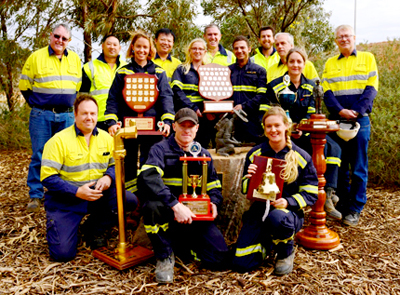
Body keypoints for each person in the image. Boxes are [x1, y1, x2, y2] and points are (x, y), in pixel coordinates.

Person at [40, 94, 138, 262]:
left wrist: (108, 177)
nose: (89, 118)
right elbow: (48, 178)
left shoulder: (107, 138)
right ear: (75, 114)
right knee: (62, 254)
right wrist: (77, 191)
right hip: (67, 199)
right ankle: (63, 225)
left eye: (93, 114)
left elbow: (115, 165)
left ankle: (94, 228)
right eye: (84, 113)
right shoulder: (58, 141)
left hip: (97, 195)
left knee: (129, 201)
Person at [137, 108, 228, 283]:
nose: (186, 130)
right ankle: (164, 255)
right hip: (169, 212)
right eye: (182, 125)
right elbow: (149, 177)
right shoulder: (160, 149)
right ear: (174, 127)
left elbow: (213, 184)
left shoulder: (203, 153)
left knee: (220, 257)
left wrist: (214, 202)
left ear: (197, 128)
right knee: (152, 206)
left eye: (191, 126)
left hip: (195, 217)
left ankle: (182, 248)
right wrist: (175, 205)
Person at [232, 106, 318, 275]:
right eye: (269, 126)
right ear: (264, 128)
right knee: (241, 264)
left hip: (286, 214)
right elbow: (244, 189)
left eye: (277, 125)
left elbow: (311, 193)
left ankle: (285, 252)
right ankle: (268, 243)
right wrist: (249, 180)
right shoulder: (254, 154)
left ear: (286, 126)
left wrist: (288, 201)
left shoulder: (301, 157)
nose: (273, 130)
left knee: (277, 217)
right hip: (260, 212)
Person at [262, 47, 342, 220]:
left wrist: (301, 127)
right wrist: (287, 128)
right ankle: (307, 197)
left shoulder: (311, 86)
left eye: (299, 61)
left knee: (334, 149)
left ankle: (327, 193)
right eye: (292, 61)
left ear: (304, 64)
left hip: (306, 133)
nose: (295, 65)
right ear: (286, 63)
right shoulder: (275, 85)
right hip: (282, 135)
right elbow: (269, 111)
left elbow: (312, 111)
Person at [19, 23, 82, 212]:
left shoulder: (75, 60)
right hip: (42, 114)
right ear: (50, 36)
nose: (60, 41)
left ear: (68, 41)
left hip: (67, 115)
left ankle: (60, 192)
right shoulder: (36, 57)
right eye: (57, 36)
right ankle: (36, 195)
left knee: (65, 155)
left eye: (64, 38)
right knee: (40, 154)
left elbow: (77, 87)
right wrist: (39, 104)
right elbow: (24, 86)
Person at [322, 25, 379, 226]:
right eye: (340, 37)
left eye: (347, 36)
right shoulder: (330, 63)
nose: (344, 39)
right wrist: (340, 111)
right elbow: (326, 90)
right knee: (340, 165)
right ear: (336, 40)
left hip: (359, 120)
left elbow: (372, 88)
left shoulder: (367, 58)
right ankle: (343, 206)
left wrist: (356, 111)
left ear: (354, 37)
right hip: (337, 120)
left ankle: (355, 208)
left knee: (358, 166)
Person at [104, 30, 175, 193]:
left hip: (152, 128)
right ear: (132, 47)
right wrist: (112, 122)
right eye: (138, 46)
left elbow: (166, 97)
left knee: (149, 163)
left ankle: (147, 198)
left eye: (145, 47)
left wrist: (167, 122)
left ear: (150, 49)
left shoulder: (158, 72)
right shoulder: (123, 72)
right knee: (127, 164)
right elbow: (113, 98)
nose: (142, 50)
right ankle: (130, 203)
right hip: (127, 128)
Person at [171, 38, 215, 147]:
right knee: (184, 146)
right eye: (194, 48)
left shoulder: (210, 71)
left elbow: (215, 93)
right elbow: (177, 92)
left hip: (205, 118)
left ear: (205, 52)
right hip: (185, 114)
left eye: (201, 49)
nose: (197, 51)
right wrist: (193, 108)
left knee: (202, 147)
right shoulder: (181, 70)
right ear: (189, 51)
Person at [80, 35, 127, 131]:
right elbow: (82, 97)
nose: (112, 47)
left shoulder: (127, 68)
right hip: (97, 120)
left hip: (122, 119)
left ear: (119, 48)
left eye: (115, 45)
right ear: (102, 46)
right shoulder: (89, 67)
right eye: (109, 44)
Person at [229, 35, 267, 144]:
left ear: (249, 49)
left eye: (242, 47)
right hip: (233, 121)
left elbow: (261, 96)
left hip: (253, 120)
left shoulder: (259, 71)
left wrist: (243, 106)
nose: (239, 51)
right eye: (236, 48)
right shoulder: (228, 70)